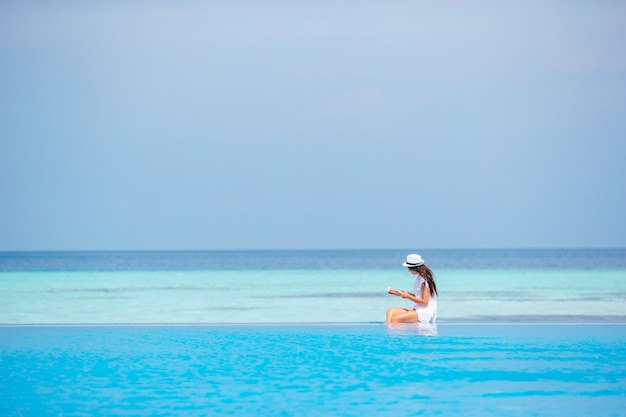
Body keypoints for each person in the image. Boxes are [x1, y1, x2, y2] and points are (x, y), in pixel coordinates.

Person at [386, 254, 438, 323]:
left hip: (425, 312)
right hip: (418, 308)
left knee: (395, 319)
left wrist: (408, 296)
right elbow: (420, 296)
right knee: (390, 311)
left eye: (409, 268)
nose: (408, 271)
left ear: (415, 268)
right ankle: (388, 330)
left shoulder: (424, 280)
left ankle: (392, 331)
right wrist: (403, 294)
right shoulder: (419, 277)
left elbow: (425, 302)